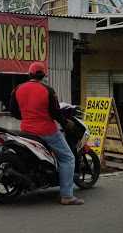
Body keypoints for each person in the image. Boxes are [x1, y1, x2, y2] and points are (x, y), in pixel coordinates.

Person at [15, 61, 84, 205]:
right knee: (68, 158)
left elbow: (13, 111)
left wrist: (29, 117)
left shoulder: (18, 89)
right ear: (43, 75)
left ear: (30, 74)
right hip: (47, 131)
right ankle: (67, 196)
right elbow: (56, 114)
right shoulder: (48, 90)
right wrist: (66, 124)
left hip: (26, 131)